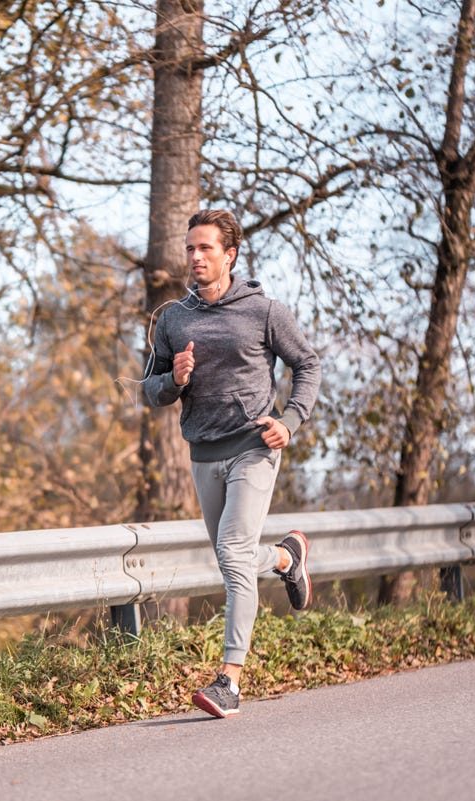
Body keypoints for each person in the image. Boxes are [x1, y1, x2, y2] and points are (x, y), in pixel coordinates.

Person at [143, 209, 322, 719]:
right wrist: (173, 380)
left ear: (230, 255)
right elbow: (150, 389)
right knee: (234, 559)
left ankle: (230, 682)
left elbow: (306, 364)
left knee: (232, 548)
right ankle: (287, 558)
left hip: (254, 445)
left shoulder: (263, 311)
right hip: (204, 451)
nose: (195, 258)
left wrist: (291, 420)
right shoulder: (174, 318)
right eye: (190, 249)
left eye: (206, 249)